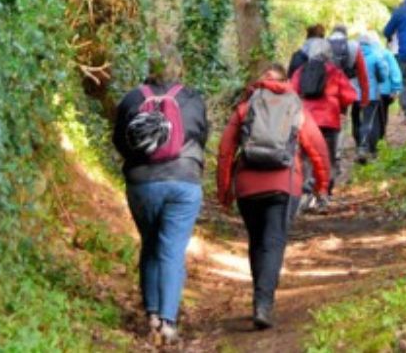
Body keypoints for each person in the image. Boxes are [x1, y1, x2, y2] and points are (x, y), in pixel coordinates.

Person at [217, 63, 331, 329]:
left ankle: (260, 297)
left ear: (260, 81)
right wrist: (322, 186)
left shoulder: (246, 107)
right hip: (284, 184)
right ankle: (263, 304)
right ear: (287, 80)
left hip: (248, 186)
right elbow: (317, 148)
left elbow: (225, 150)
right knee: (273, 242)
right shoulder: (296, 107)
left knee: (257, 241)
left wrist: (225, 191)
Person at [112, 50, 209, 346]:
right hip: (183, 182)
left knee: (151, 244)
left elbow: (119, 140)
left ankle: (152, 314)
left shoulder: (132, 98)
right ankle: (167, 321)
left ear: (149, 70)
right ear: (179, 70)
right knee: (171, 250)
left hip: (142, 183)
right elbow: (202, 136)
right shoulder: (192, 99)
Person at [288, 38, 357, 206]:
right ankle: (324, 193)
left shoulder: (301, 71)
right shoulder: (335, 72)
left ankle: (306, 191)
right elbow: (350, 96)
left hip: (305, 121)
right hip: (329, 122)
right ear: (329, 53)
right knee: (328, 158)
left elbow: (290, 92)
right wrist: (339, 105)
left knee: (305, 156)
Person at [327, 24, 371, 154]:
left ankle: (331, 148)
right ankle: (348, 149)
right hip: (349, 88)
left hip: (329, 88)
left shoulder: (323, 45)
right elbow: (362, 74)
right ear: (346, 34)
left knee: (332, 117)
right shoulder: (353, 47)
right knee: (349, 117)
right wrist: (364, 97)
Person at [354, 31, 390, 163]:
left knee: (356, 120)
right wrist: (378, 80)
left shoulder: (353, 55)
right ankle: (369, 149)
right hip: (370, 94)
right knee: (370, 122)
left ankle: (359, 145)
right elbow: (383, 75)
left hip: (353, 95)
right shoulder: (376, 55)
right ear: (370, 43)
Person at [376, 40, 403, 142]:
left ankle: (369, 141)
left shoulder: (360, 53)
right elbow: (394, 71)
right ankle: (380, 138)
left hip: (367, 92)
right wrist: (396, 89)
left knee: (369, 116)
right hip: (384, 91)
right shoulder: (386, 53)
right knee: (383, 115)